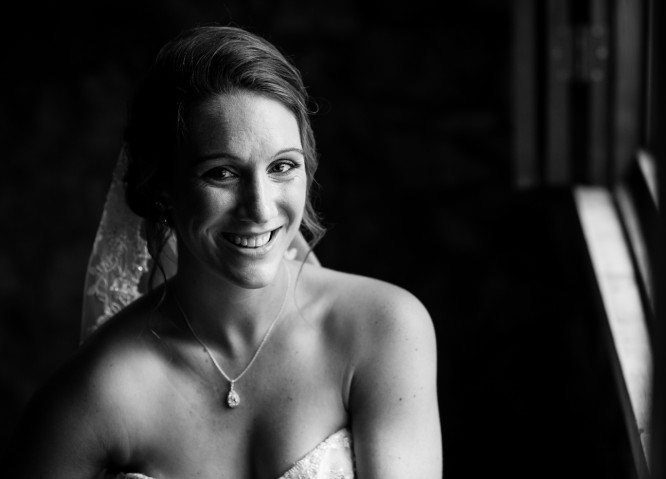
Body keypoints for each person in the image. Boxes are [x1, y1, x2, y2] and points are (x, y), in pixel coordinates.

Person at [3, 26, 442, 478]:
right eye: (222, 173)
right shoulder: (97, 392)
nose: (260, 207)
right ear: (162, 189)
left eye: (282, 166)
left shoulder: (384, 327)